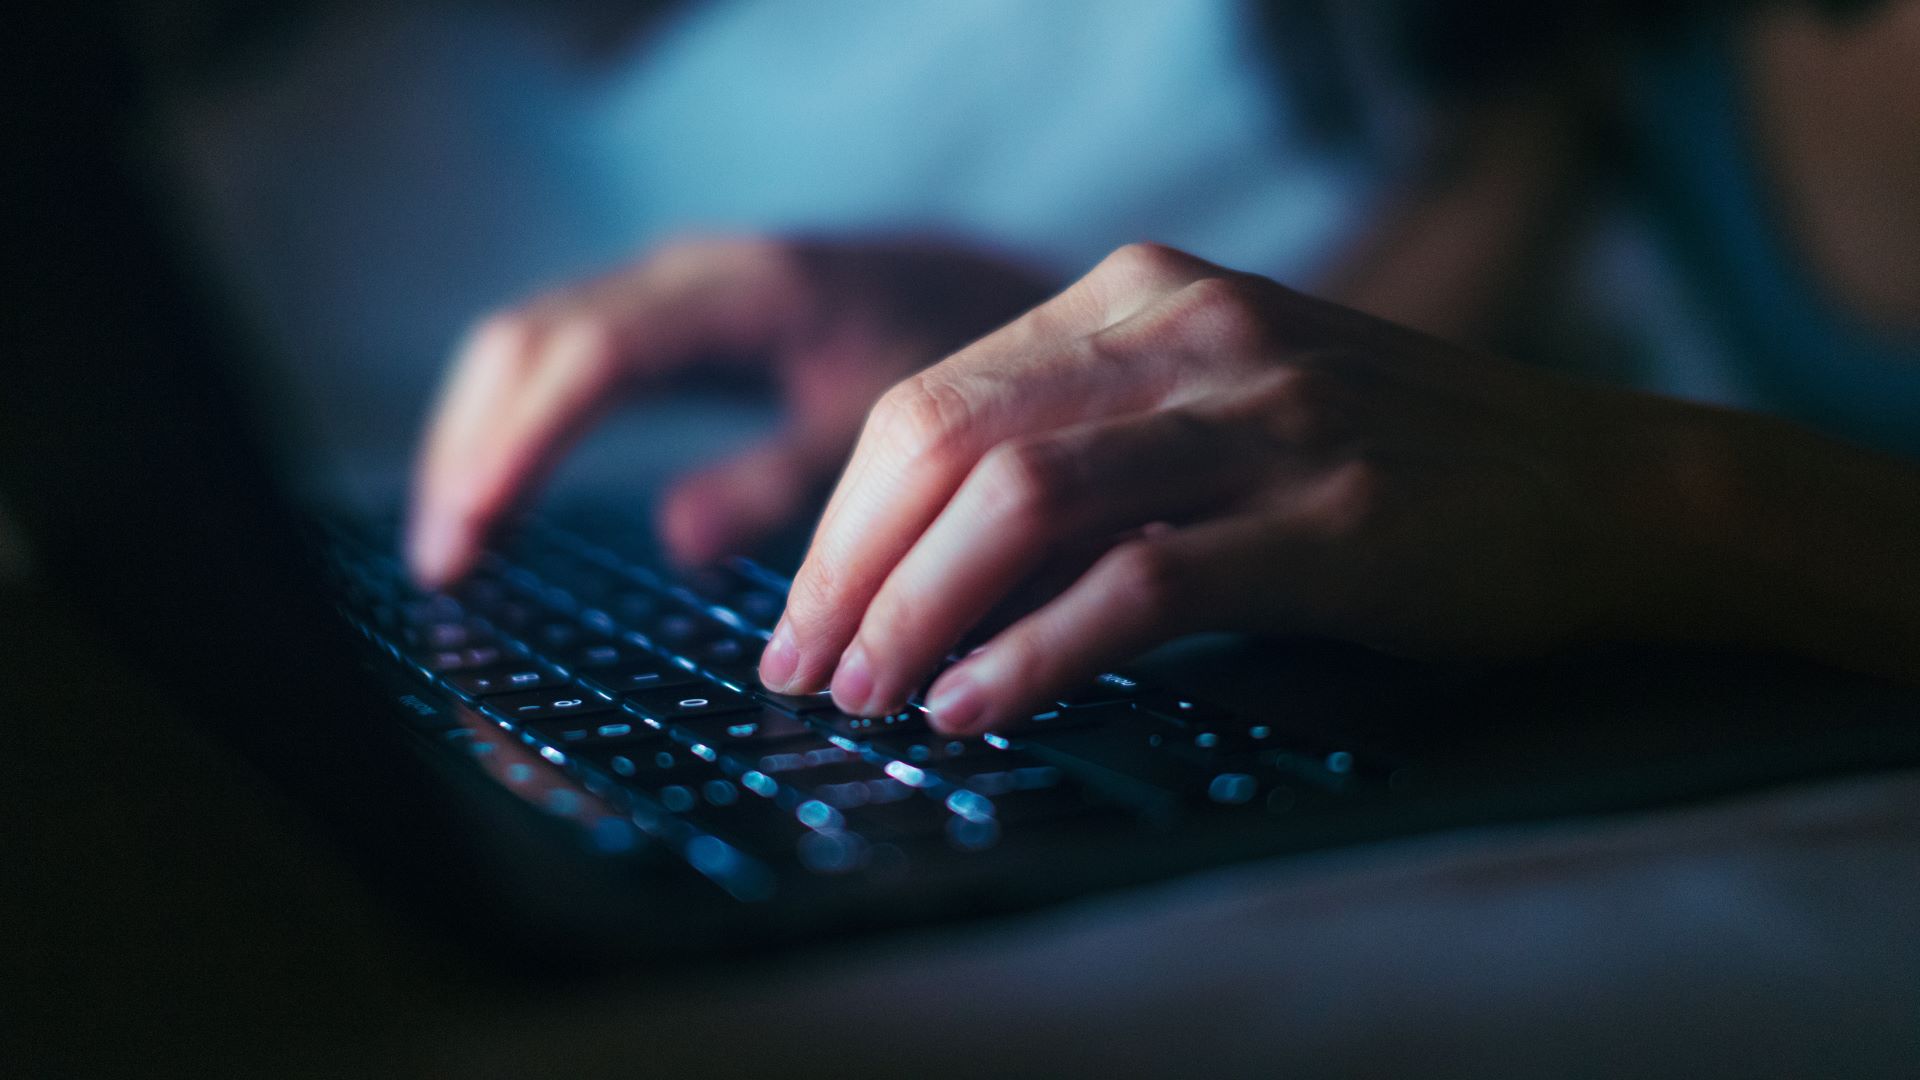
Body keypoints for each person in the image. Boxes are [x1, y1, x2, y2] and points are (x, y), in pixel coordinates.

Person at [406, 0, 1920, 736]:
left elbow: (1570, 468)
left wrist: (1660, 501)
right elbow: (1394, 396)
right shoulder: (1601, 59)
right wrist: (1041, 360)